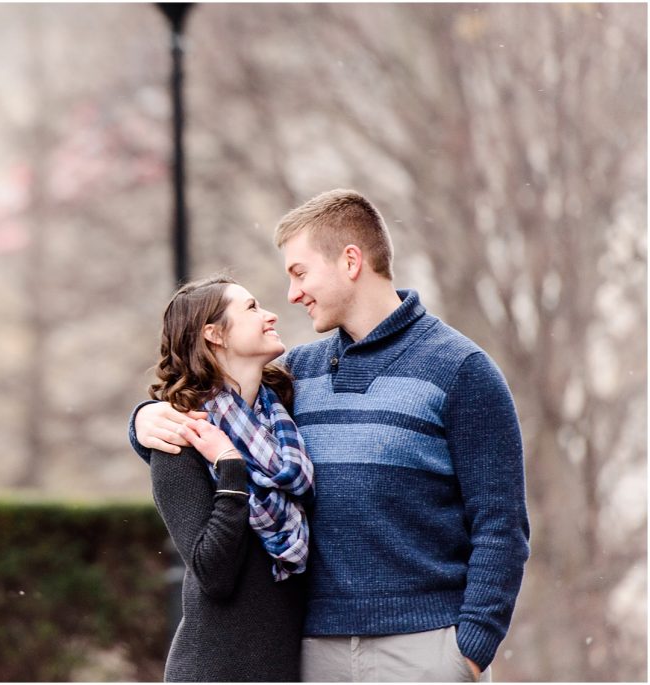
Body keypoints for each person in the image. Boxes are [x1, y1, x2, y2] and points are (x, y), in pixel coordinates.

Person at [129, 190, 530, 682]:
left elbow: (501, 523)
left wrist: (469, 650)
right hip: (314, 652)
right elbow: (219, 401)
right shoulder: (298, 374)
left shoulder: (461, 371)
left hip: (426, 650)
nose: (293, 294)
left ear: (351, 261)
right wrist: (144, 420)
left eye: (299, 273)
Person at [145, 275, 315, 682]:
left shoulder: (285, 420)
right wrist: (230, 468)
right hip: (216, 669)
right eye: (253, 308)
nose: (271, 314)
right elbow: (213, 574)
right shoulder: (183, 436)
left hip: (287, 666)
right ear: (214, 334)